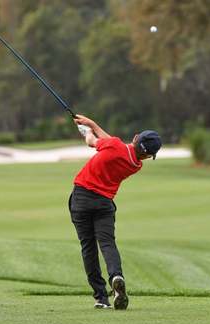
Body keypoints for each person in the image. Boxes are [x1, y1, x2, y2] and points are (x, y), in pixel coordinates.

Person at [68, 114, 162, 310]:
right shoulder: (136, 164)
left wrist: (87, 131)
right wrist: (91, 124)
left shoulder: (115, 145)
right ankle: (116, 276)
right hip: (104, 204)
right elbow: (111, 143)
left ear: (135, 137)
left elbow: (93, 142)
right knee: (107, 244)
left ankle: (101, 297)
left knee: (88, 247)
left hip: (82, 198)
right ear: (147, 156)